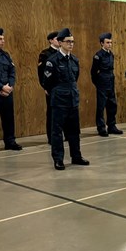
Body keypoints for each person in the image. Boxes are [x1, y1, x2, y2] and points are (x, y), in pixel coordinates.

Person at [43, 28, 89, 170]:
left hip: (72, 99)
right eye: (68, 42)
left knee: (74, 131)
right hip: (59, 100)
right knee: (57, 132)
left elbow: (75, 78)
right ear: (60, 43)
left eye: (72, 42)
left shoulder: (74, 59)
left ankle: (76, 156)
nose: (71, 44)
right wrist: (59, 93)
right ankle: (58, 159)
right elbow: (47, 83)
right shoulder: (52, 60)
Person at [91, 32, 122, 137]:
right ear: (101, 43)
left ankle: (112, 126)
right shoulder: (98, 56)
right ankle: (101, 127)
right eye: (107, 42)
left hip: (110, 81)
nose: (110, 44)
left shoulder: (111, 54)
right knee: (101, 106)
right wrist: (98, 83)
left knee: (112, 105)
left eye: (111, 42)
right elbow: (93, 72)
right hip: (102, 82)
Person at [37, 31, 59, 145]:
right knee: (52, 113)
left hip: (62, 87)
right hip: (51, 87)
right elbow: (41, 72)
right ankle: (51, 137)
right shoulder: (45, 54)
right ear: (50, 40)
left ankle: (63, 134)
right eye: (56, 39)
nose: (58, 40)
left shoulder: (62, 53)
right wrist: (45, 87)